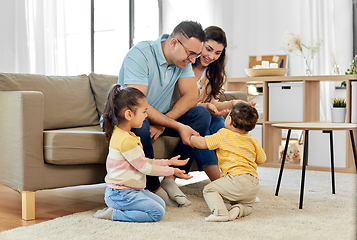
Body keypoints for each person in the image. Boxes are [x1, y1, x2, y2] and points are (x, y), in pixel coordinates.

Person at [117, 20, 211, 207]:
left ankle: (170, 179)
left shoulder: (182, 62)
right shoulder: (141, 54)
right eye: (191, 54)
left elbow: (192, 96)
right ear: (174, 43)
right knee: (141, 123)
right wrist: (175, 125)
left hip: (154, 116)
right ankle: (153, 187)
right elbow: (137, 104)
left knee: (201, 115)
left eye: (197, 55)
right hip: (127, 116)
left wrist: (162, 123)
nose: (193, 60)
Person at [94, 84, 192, 222]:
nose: (146, 116)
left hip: (130, 190)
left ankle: (122, 208)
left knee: (161, 204)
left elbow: (143, 161)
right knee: (157, 213)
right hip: (120, 194)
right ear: (129, 114)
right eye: (144, 112)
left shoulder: (125, 135)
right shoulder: (126, 141)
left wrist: (169, 162)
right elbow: (145, 168)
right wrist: (172, 171)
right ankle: (114, 214)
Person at [190, 102, 266, 222]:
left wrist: (191, 138)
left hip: (236, 179)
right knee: (248, 205)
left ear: (229, 120)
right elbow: (262, 159)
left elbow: (202, 143)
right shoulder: (253, 140)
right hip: (254, 184)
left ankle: (220, 213)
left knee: (209, 189)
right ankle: (239, 209)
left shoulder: (223, 134)